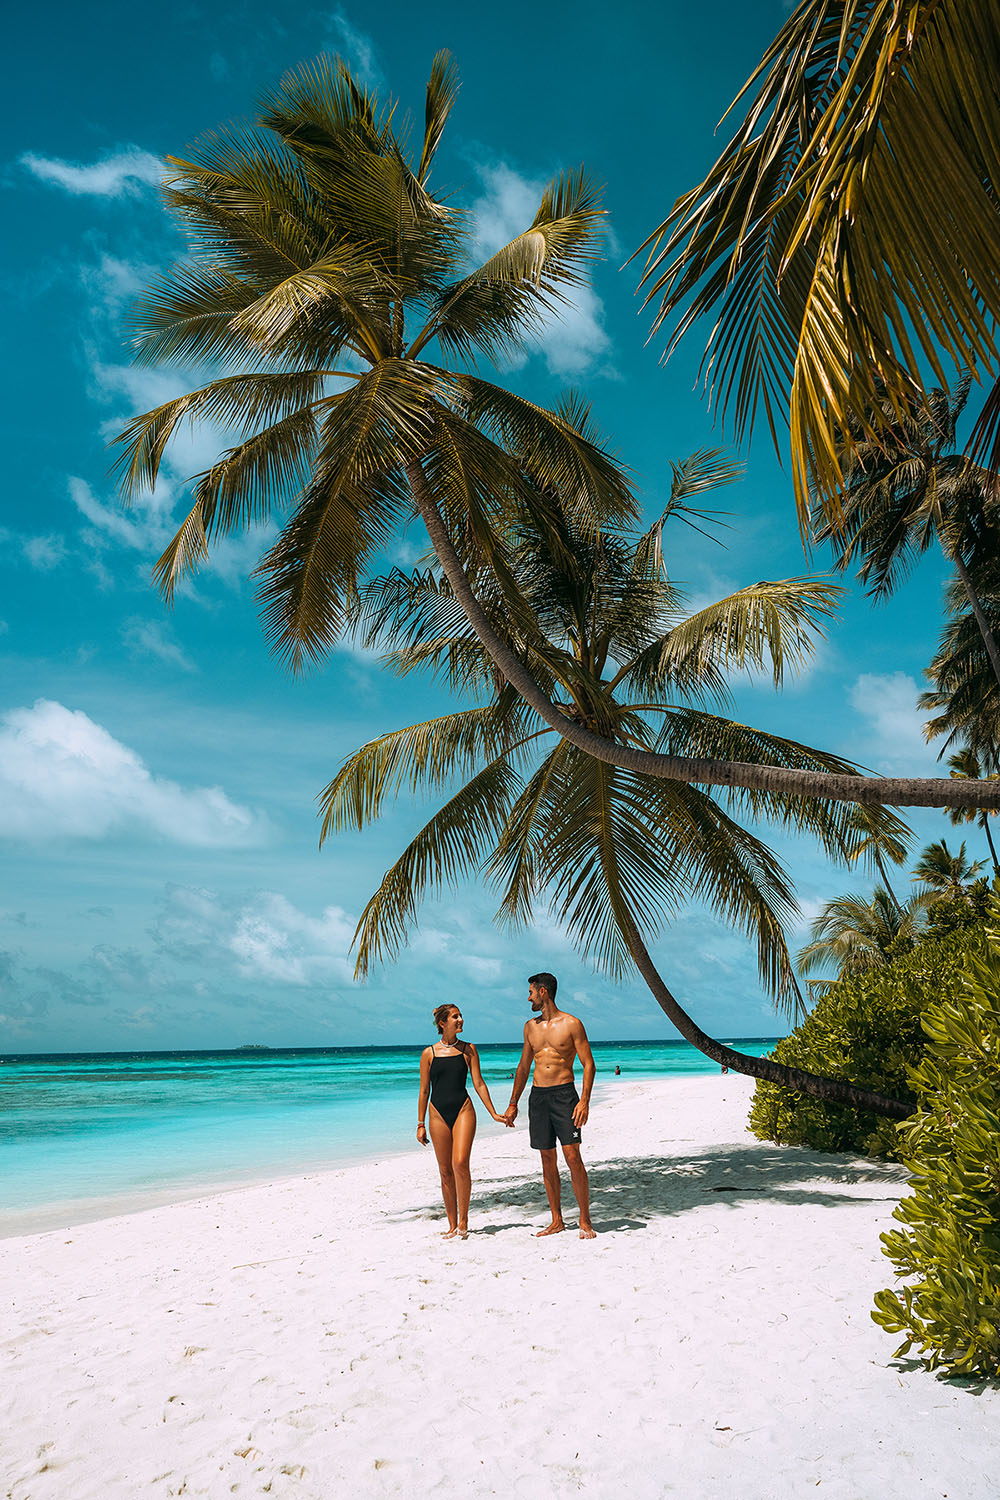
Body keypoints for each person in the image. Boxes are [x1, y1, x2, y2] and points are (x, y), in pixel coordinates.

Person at [502, 972, 597, 1240]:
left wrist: (584, 1101)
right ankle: (557, 1220)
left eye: (531, 992)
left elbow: (588, 1064)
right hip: (538, 1096)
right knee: (547, 1158)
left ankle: (584, 1219)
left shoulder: (572, 1024)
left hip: (565, 1096)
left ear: (543, 992)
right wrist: (513, 1103)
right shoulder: (530, 1027)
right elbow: (523, 1066)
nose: (528, 997)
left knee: (572, 1157)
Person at [416, 1003, 507, 1239]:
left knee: (459, 1163)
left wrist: (494, 1113)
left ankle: (464, 1222)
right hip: (437, 1113)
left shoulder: (469, 1050)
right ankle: (452, 1225)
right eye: (455, 1017)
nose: (460, 1020)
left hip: (463, 1110)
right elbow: (424, 1090)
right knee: (445, 1171)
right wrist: (420, 1123)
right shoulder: (429, 1054)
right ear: (442, 1023)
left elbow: (478, 1083)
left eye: (461, 1016)